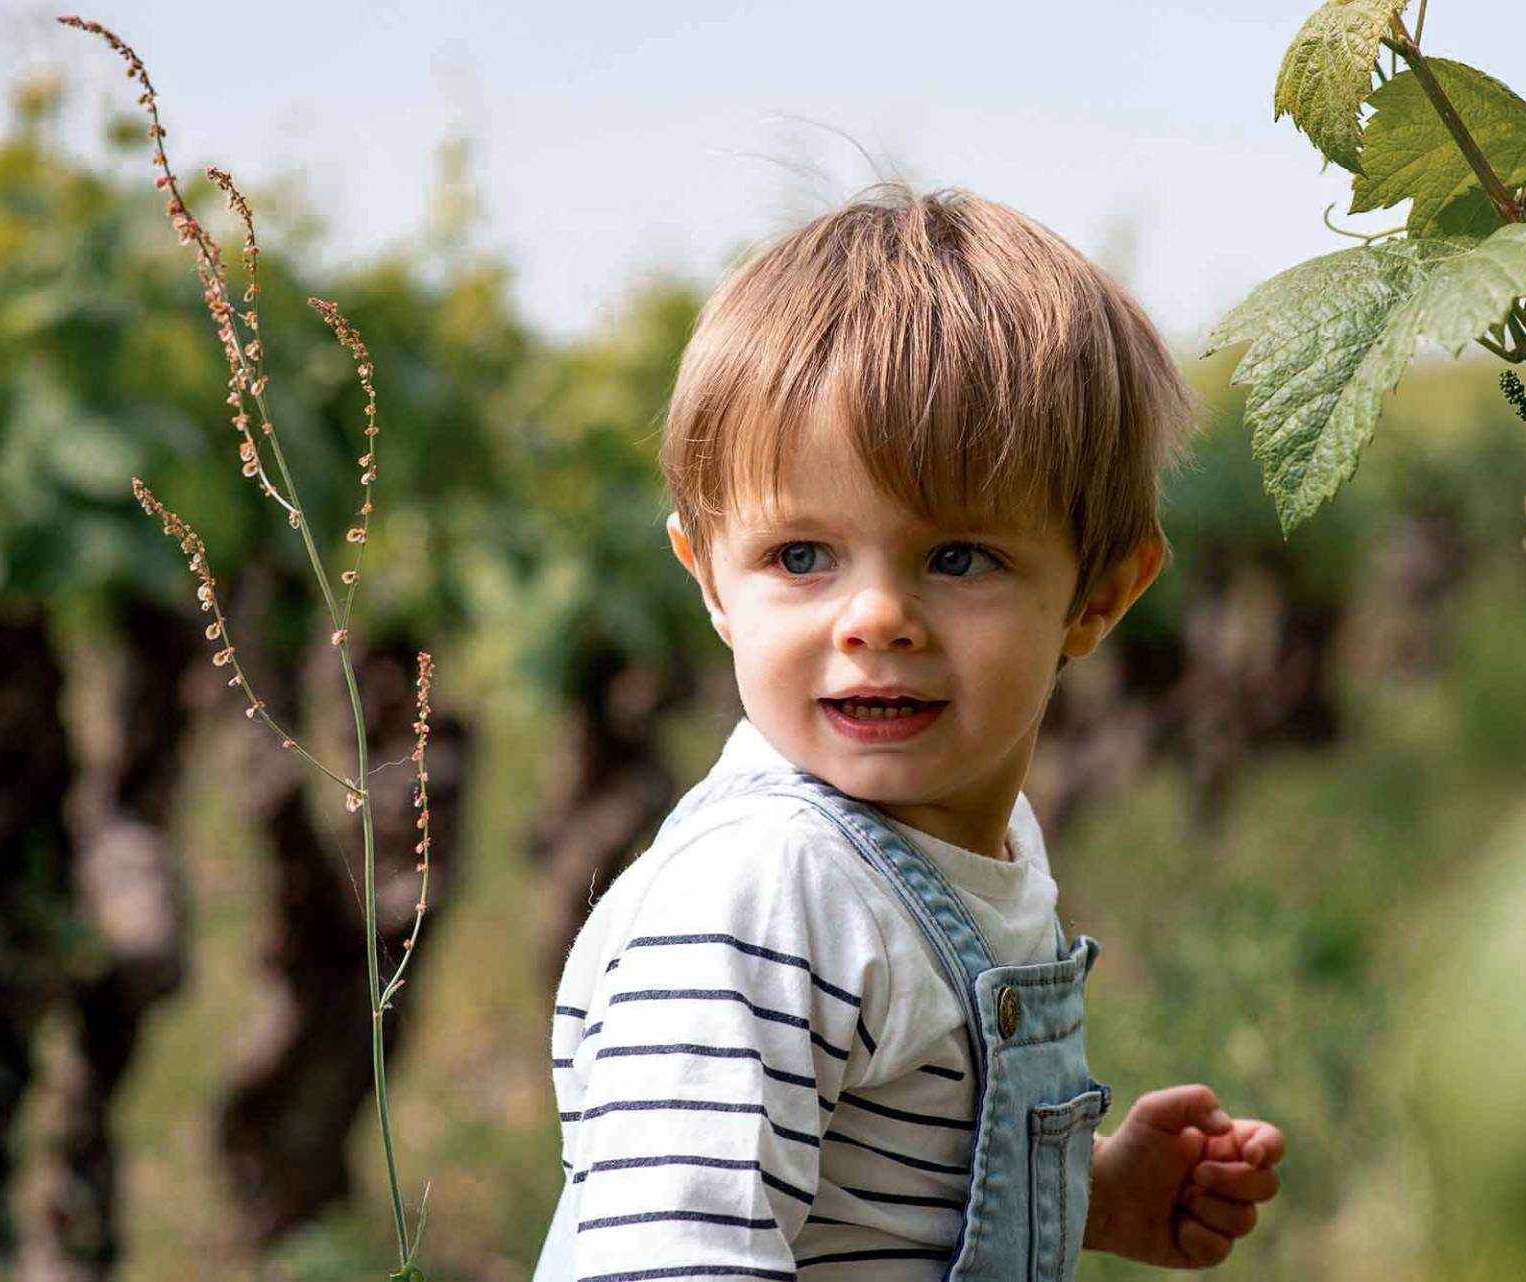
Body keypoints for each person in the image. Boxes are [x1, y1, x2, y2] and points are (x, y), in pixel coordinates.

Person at [534, 181, 1284, 1280]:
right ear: (709, 581)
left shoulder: (964, 843)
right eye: (800, 557)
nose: (875, 618)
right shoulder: (765, 891)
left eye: (958, 557)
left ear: (1100, 595)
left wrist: (1088, 1193)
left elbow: (886, 1195)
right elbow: (670, 1254)